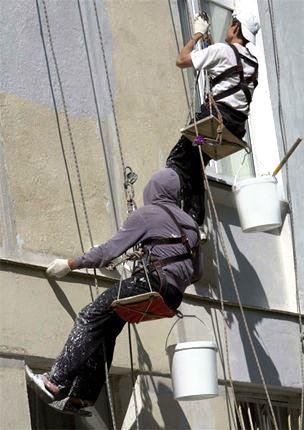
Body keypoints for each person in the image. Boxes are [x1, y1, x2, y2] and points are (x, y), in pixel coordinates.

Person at [26, 168, 201, 415]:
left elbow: (109, 251)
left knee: (90, 315)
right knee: (107, 328)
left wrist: (70, 264)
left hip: (152, 283)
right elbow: (196, 273)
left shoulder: (147, 214)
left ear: (153, 190)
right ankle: (81, 398)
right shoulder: (191, 224)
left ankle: (54, 382)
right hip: (173, 297)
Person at [166, 10, 260, 228]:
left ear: (236, 27)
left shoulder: (222, 51)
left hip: (212, 124)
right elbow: (228, 73)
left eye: (231, 23)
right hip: (230, 131)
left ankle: (173, 214)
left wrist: (197, 35)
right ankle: (194, 221)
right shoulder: (252, 63)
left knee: (177, 160)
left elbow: (181, 60)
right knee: (196, 164)